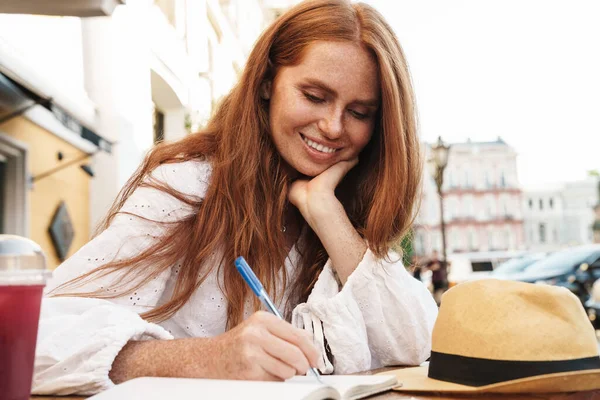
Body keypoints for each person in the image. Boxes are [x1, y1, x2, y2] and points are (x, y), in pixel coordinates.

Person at [32, 0, 438, 395]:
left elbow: (418, 341)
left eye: (360, 113)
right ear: (266, 85)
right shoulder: (189, 185)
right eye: (314, 96)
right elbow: (38, 338)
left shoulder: (346, 208)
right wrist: (206, 359)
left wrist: (326, 213)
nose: (333, 127)